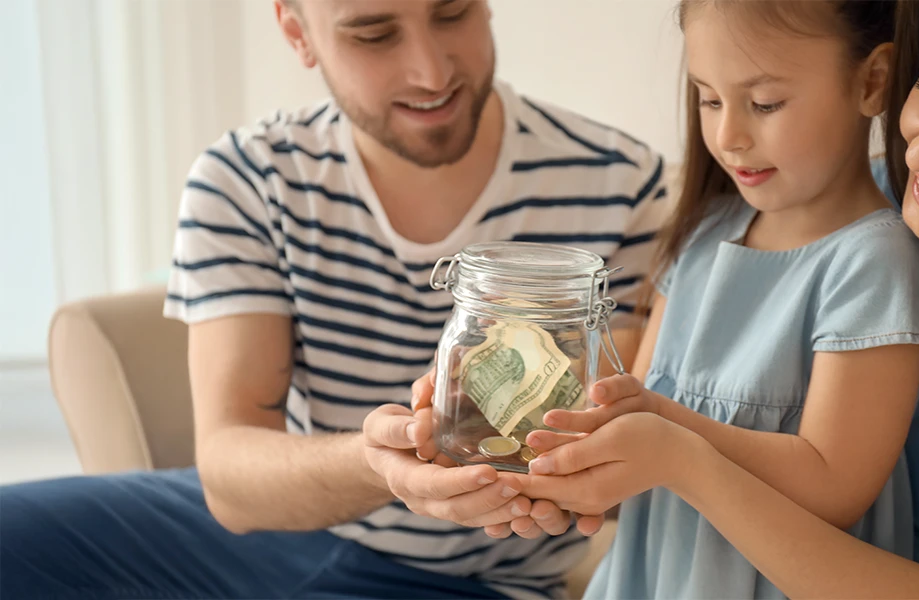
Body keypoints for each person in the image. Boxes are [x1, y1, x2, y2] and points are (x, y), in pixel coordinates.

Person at [0, 1, 671, 598]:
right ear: (297, 31)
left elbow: (623, 454)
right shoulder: (246, 180)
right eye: (373, 34)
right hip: (279, 529)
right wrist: (379, 464)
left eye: (452, 14)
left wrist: (576, 474)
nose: (431, 71)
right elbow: (230, 478)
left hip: (469, 577)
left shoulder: (625, 187)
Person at [462, 0, 919, 598]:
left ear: (872, 81)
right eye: (708, 98)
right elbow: (628, 412)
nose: (728, 135)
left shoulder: (875, 259)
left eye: (764, 103)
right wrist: (513, 445)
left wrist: (668, 434)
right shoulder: (704, 233)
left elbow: (834, 488)